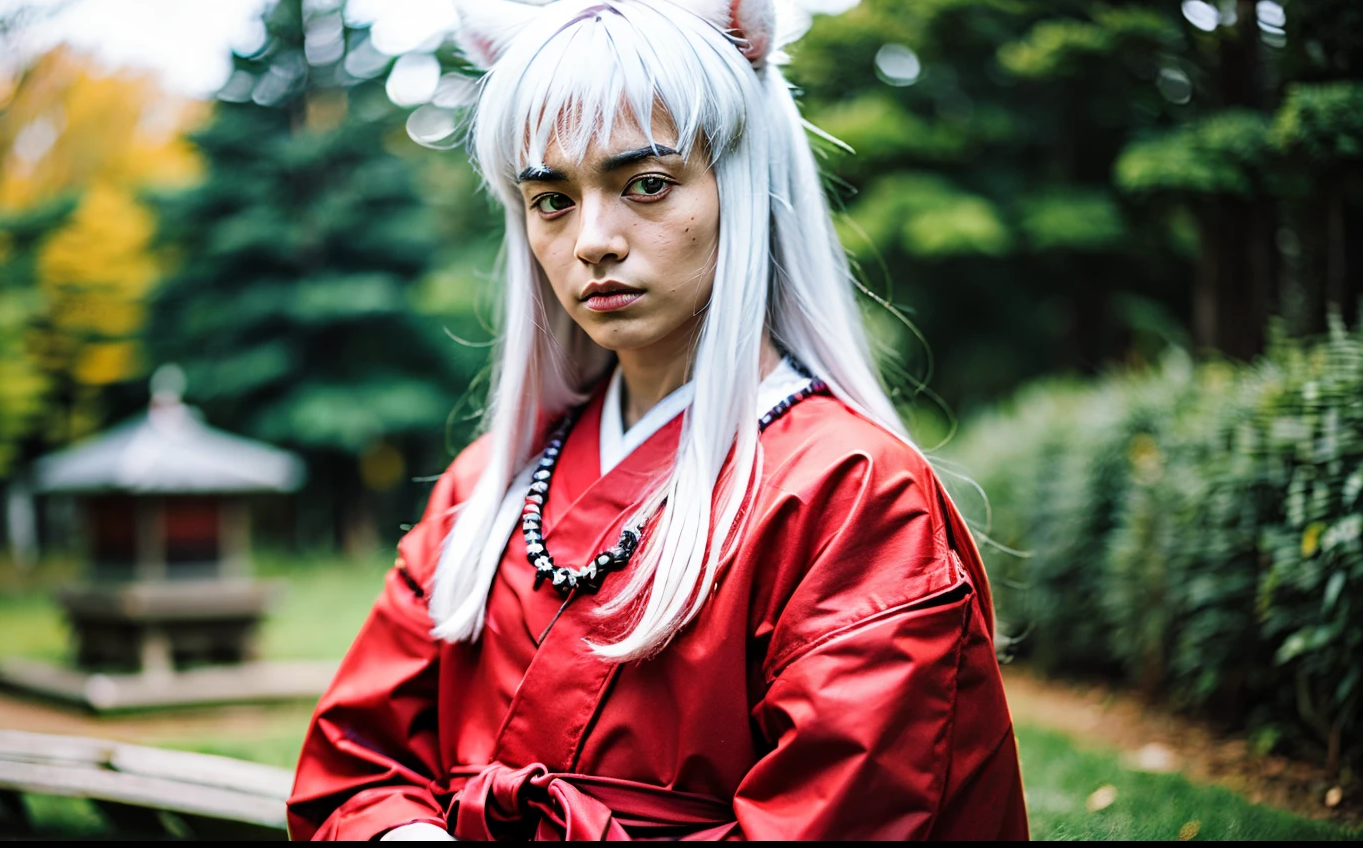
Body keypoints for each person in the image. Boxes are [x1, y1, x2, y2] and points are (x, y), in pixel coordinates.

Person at [287, 0, 1029, 839]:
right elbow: (354, 766)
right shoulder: (482, 485)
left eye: (645, 183)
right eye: (552, 199)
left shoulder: (852, 490)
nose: (593, 240)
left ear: (741, 188)